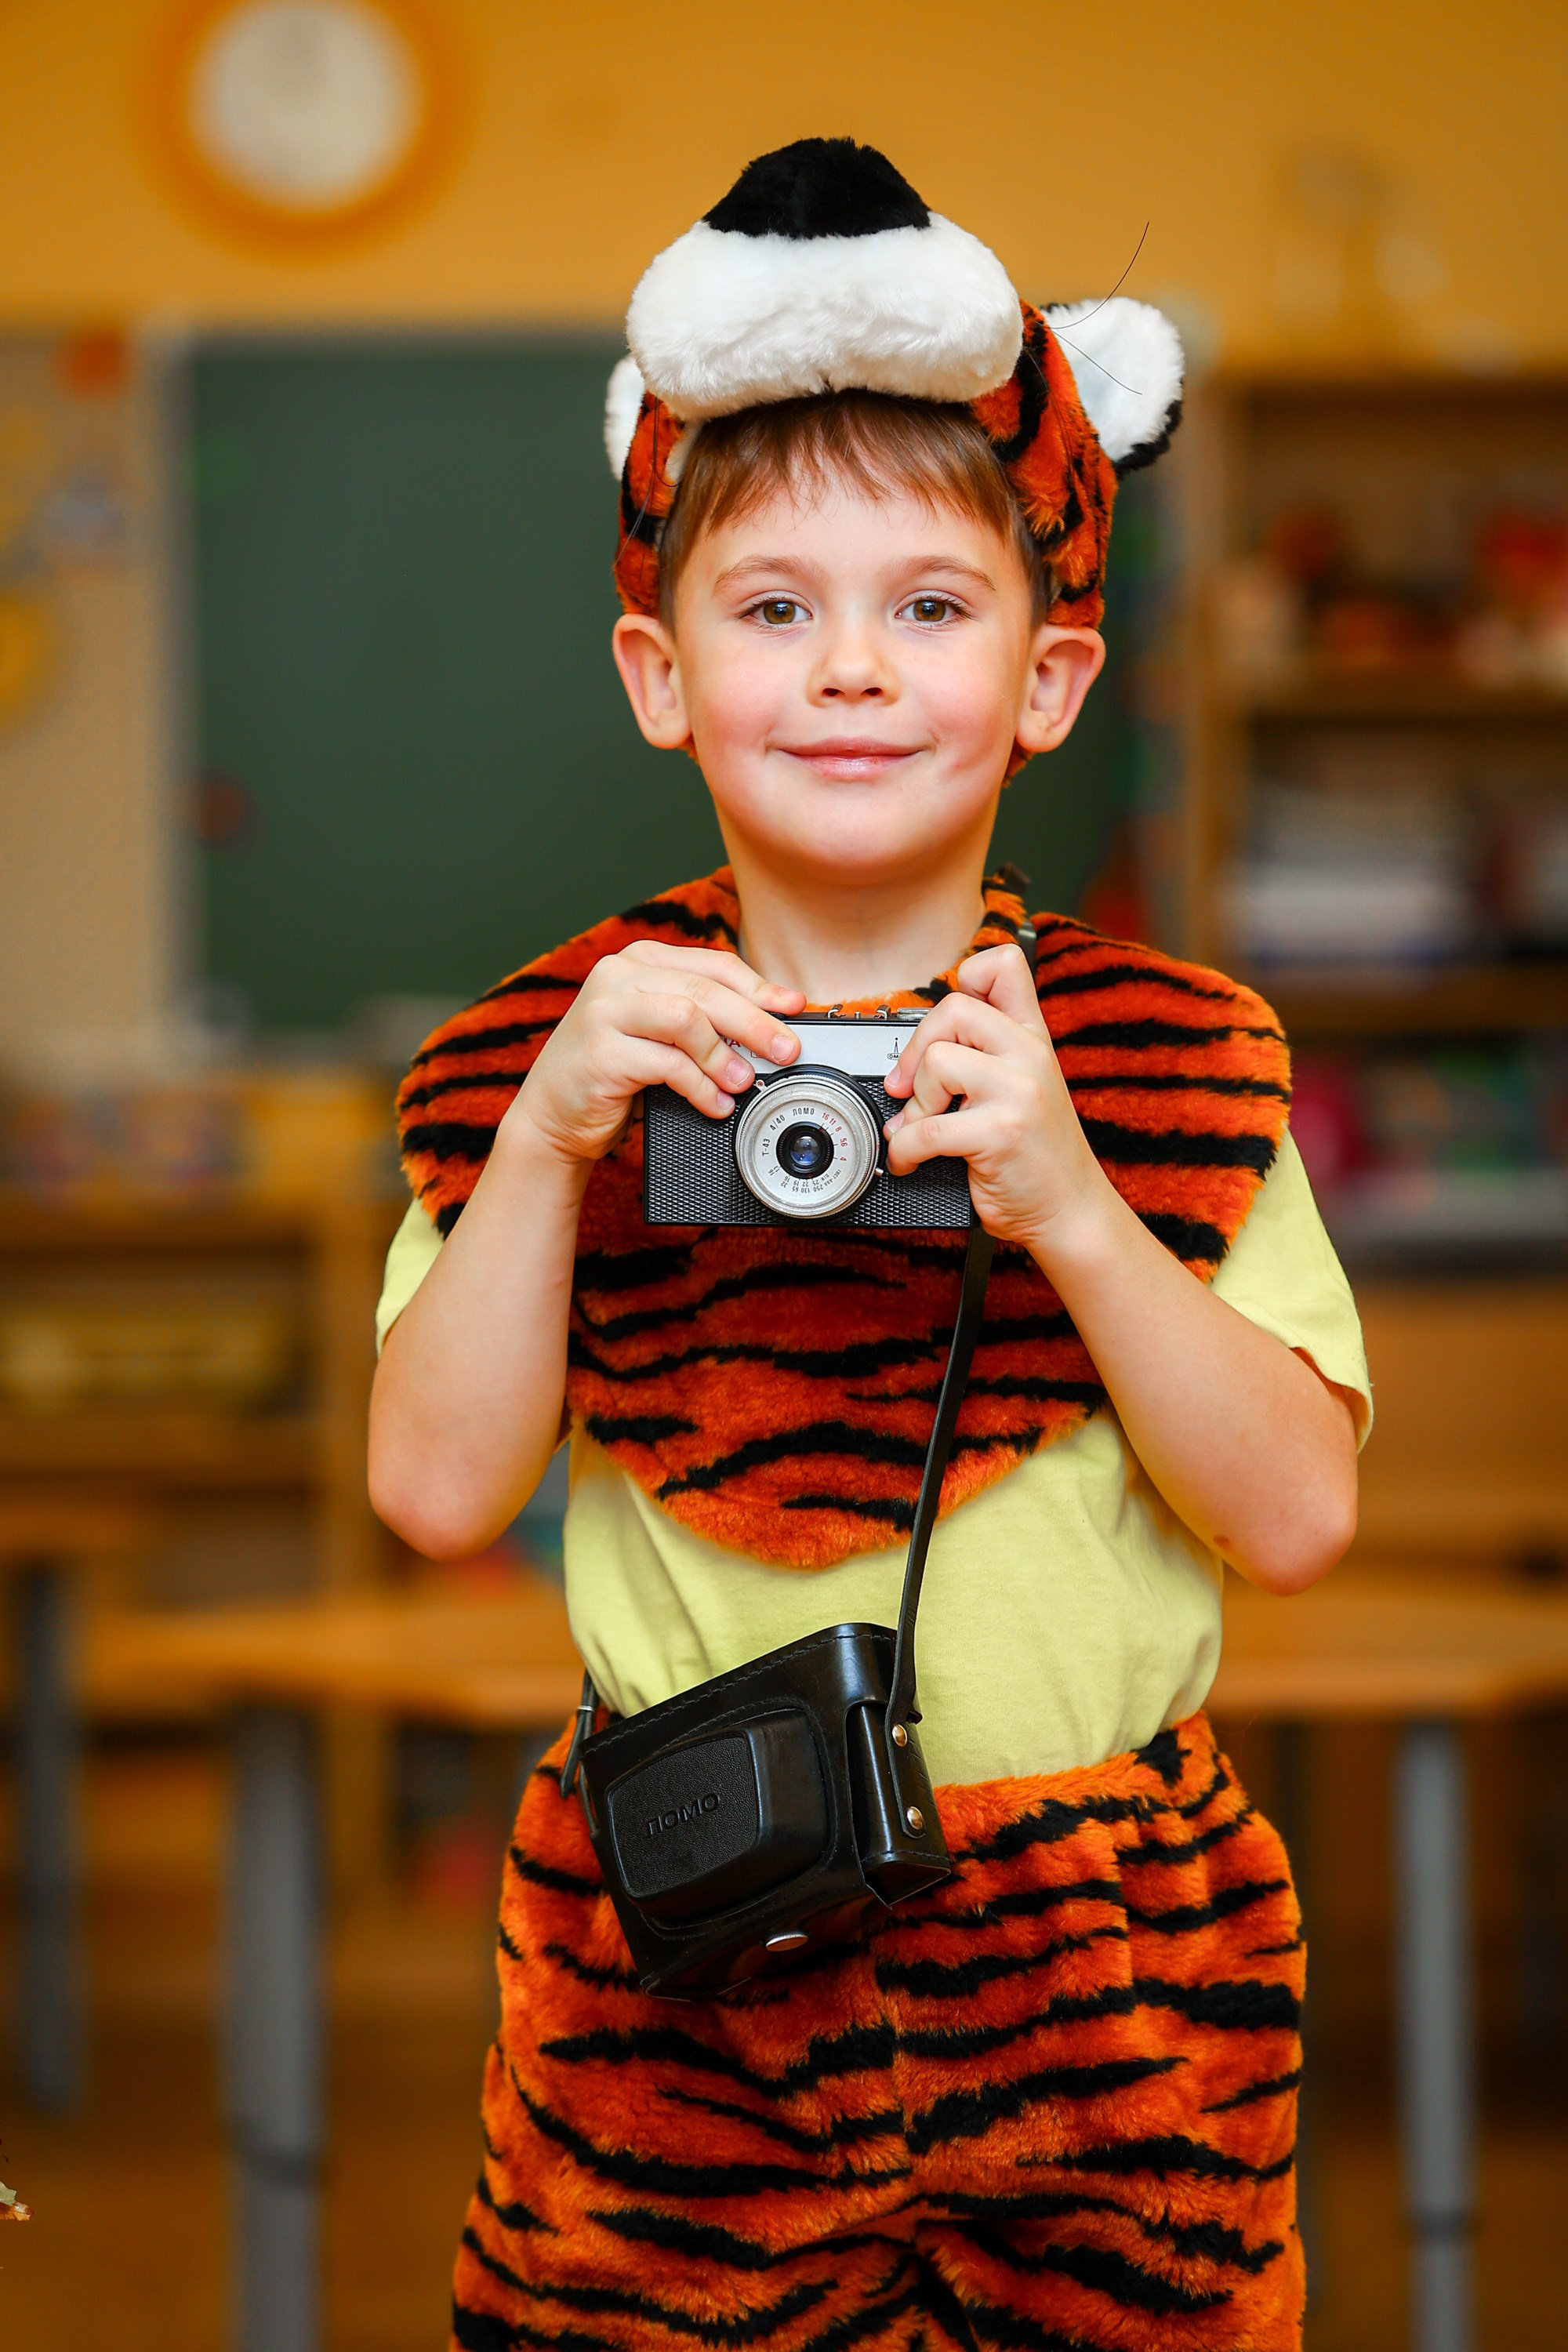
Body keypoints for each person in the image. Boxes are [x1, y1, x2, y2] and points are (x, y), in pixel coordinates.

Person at [370, 139, 1368, 2352]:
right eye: (772, 606)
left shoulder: (1171, 1064)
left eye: (929, 605)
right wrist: (549, 1139)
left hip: (1108, 1976)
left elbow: (1297, 1519)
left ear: (1050, 677)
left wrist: (1072, 1203)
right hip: (688, 1957)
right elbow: (435, 1492)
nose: (849, 669)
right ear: (658, 671)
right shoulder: (551, 1063)